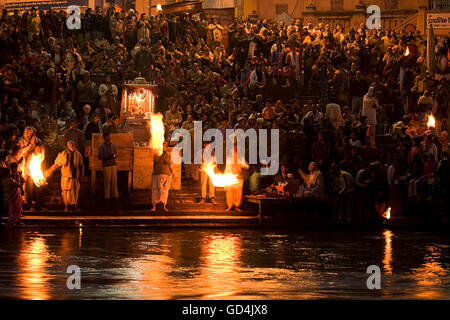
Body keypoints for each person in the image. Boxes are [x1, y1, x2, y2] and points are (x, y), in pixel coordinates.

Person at [45, 141, 84, 212]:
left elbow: (81, 165)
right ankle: (66, 206)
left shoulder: (78, 154)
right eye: (70, 145)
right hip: (66, 176)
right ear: (68, 146)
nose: (72, 146)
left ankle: (74, 205)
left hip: (75, 177)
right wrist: (49, 170)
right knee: (65, 192)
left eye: (73, 145)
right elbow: (56, 164)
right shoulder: (63, 154)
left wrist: (81, 175)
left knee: (74, 192)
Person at [224, 145, 249, 212]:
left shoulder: (240, 159)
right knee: (229, 192)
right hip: (230, 178)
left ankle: (236, 206)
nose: (233, 152)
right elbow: (227, 169)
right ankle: (230, 206)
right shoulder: (229, 159)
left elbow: (247, 166)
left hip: (238, 178)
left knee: (238, 194)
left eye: (234, 151)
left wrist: (242, 164)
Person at [151, 142, 172, 212]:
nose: (163, 147)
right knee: (155, 190)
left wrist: (171, 174)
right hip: (157, 173)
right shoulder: (156, 154)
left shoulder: (167, 155)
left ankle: (164, 205)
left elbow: (167, 162)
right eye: (162, 146)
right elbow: (156, 160)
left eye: (165, 146)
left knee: (164, 190)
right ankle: (154, 206)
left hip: (165, 174)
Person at [98, 132, 119, 200]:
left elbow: (115, 154)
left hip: (113, 164)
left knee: (114, 181)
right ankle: (106, 195)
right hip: (106, 165)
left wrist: (115, 156)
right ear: (104, 138)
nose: (109, 138)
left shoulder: (112, 145)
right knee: (107, 181)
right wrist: (108, 156)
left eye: (109, 136)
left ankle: (115, 194)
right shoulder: (101, 147)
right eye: (107, 137)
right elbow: (100, 157)